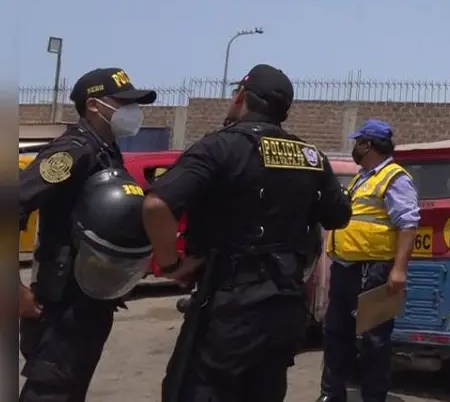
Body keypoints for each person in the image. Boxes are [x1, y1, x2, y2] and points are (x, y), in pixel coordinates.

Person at [141, 64, 352, 402]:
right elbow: (338, 216)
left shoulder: (219, 147)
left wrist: (169, 266)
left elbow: (157, 206)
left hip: (231, 304)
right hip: (286, 306)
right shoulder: (311, 156)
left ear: (241, 97)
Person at [18, 67, 157, 402]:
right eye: (122, 103)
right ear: (94, 106)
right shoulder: (73, 151)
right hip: (63, 303)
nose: (132, 112)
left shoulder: (107, 151)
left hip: (90, 299)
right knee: (50, 392)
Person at [318, 119, 420, 402]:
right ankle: (331, 395)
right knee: (335, 333)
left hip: (374, 270)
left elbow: (408, 225)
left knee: (375, 340)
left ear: (370, 145)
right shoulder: (361, 177)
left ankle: (374, 397)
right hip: (346, 268)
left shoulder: (394, 177)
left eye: (358, 142)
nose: (355, 148)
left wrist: (398, 270)